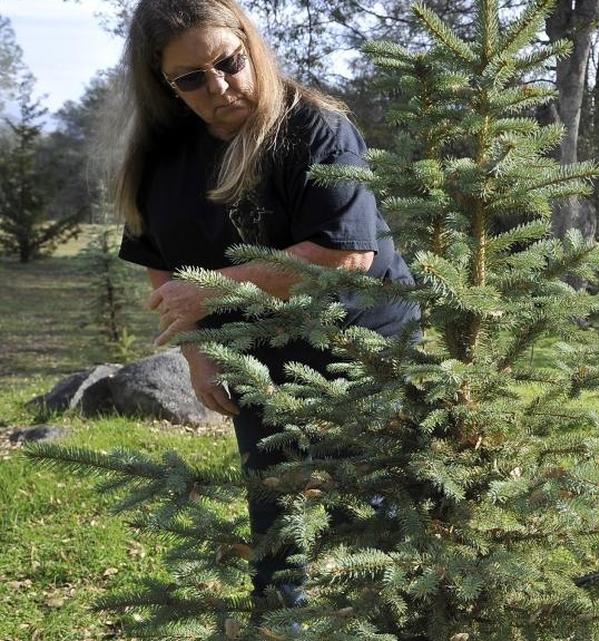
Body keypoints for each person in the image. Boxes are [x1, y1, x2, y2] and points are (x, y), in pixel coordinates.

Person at [113, 0, 419, 614]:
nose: (220, 87)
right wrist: (198, 356)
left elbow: (345, 254)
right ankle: (278, 622)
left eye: (229, 62)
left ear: (250, 43)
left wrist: (213, 289)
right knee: (275, 504)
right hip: (255, 359)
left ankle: (398, 617)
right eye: (191, 79)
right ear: (164, 84)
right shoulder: (161, 157)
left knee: (370, 506)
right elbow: (162, 265)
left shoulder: (316, 129)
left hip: (357, 345)